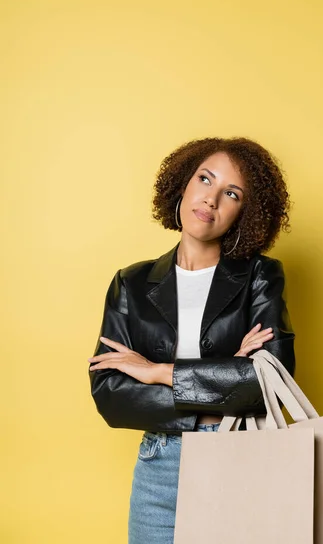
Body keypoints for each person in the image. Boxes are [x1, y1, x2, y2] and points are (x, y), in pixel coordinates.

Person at [87, 136, 295, 544]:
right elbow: (109, 393)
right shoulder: (130, 282)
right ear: (183, 184)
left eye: (231, 193)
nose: (211, 199)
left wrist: (157, 372)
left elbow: (273, 381)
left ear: (243, 213)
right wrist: (226, 376)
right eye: (205, 179)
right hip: (159, 468)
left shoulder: (260, 277)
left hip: (239, 457)